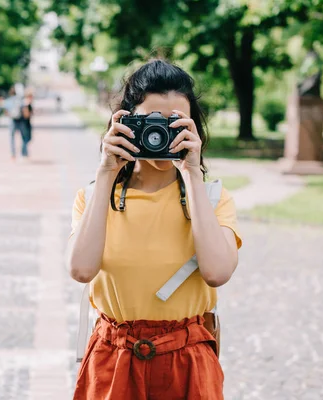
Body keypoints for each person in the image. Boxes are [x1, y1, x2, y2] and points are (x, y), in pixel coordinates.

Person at [68, 59, 242, 399]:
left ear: (195, 128)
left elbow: (218, 272)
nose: (161, 134)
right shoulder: (93, 197)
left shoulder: (212, 198)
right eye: (151, 122)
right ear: (125, 122)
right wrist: (106, 172)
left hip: (187, 361)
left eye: (176, 124)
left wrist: (192, 173)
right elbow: (80, 269)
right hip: (113, 358)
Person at [3, 86, 28, 161]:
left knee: (12, 138)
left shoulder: (8, 101)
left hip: (12, 120)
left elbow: (6, 112)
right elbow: (24, 110)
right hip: (21, 120)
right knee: (23, 137)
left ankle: (13, 154)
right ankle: (24, 153)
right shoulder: (20, 100)